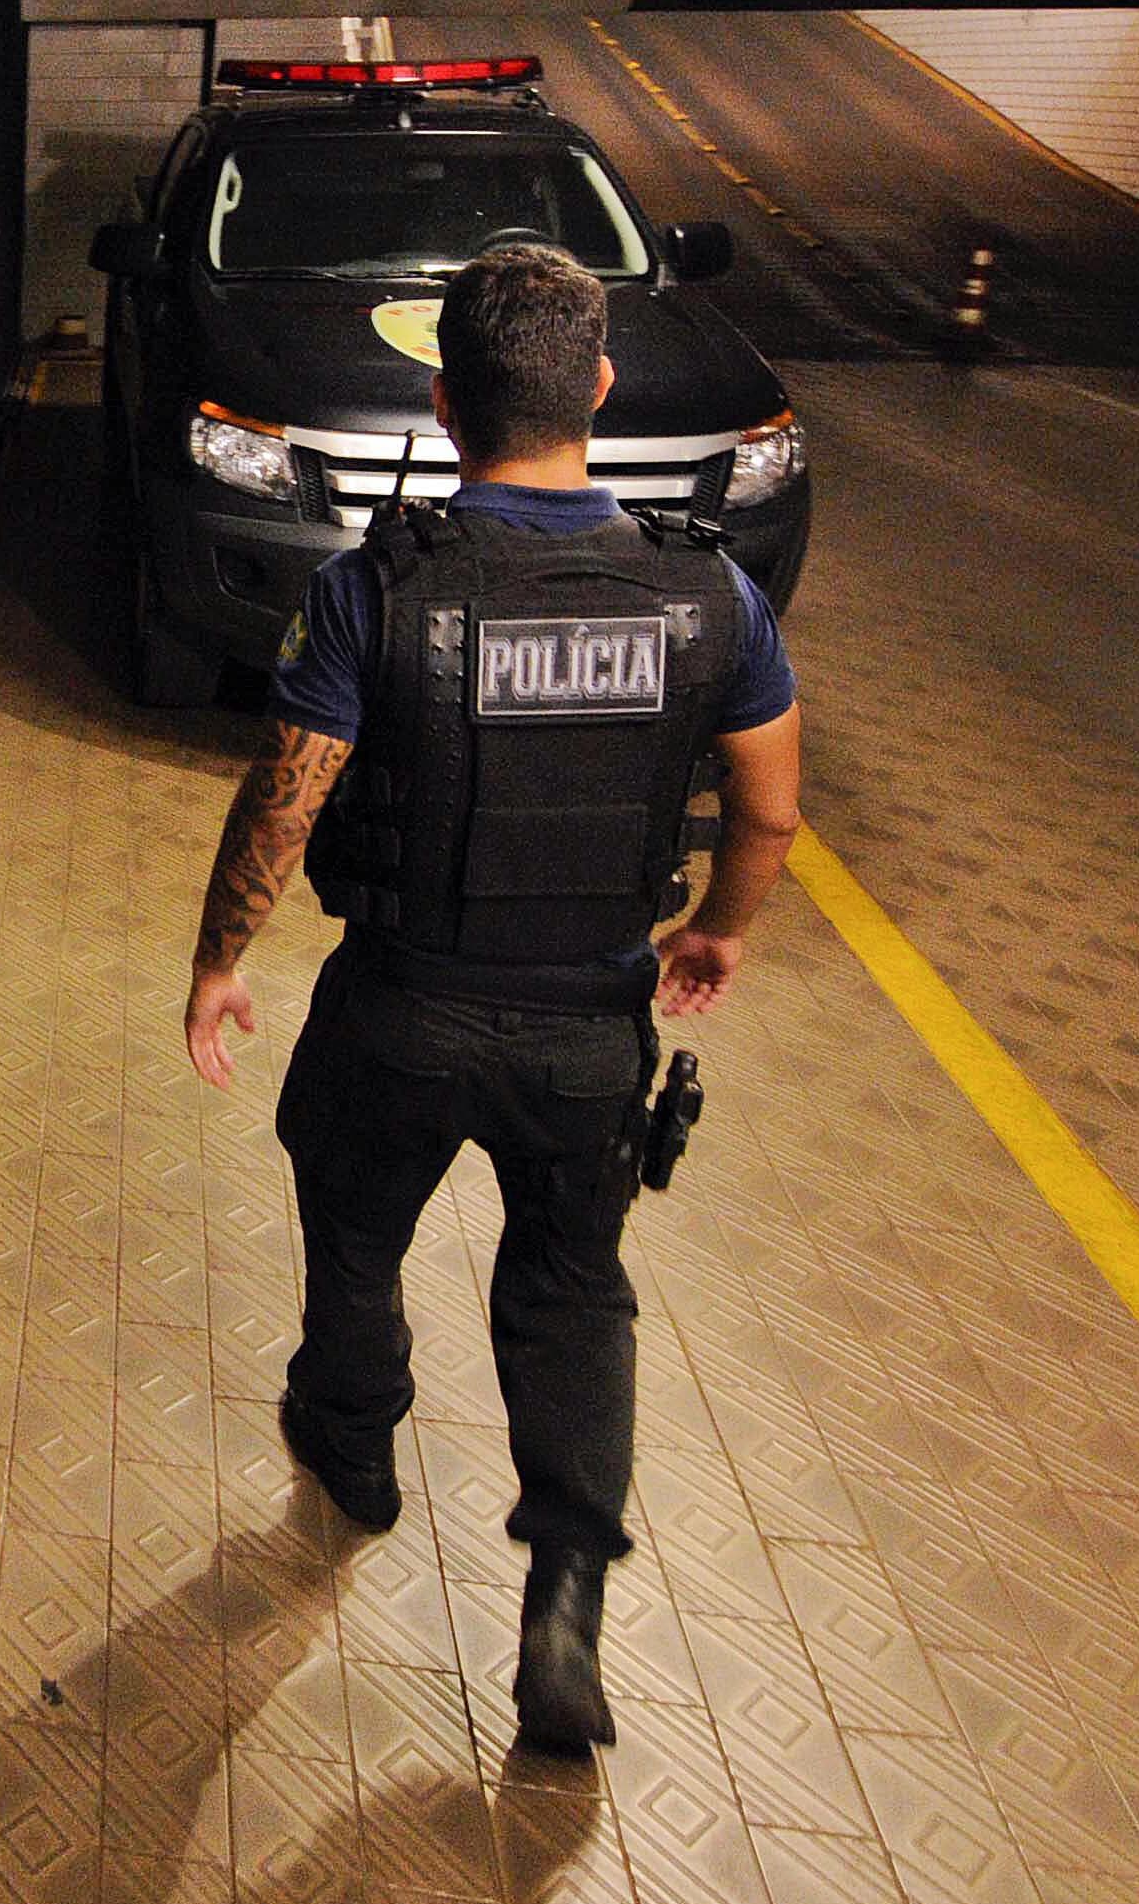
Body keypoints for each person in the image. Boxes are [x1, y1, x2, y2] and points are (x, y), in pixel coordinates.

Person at [181, 243, 803, 1755]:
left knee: (354, 1228)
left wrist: (220, 961)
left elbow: (287, 793)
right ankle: (569, 1600)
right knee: (573, 1288)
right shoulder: (703, 589)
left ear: (447, 402)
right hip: (593, 1026)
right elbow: (771, 804)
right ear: (596, 386)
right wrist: (718, 927)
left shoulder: (372, 590)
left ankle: (356, 1446)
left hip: (400, 1008)